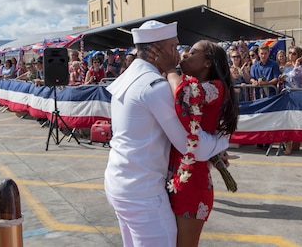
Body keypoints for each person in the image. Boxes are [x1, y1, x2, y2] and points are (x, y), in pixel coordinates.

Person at [104, 20, 229, 247]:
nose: (179, 54)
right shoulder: (154, 85)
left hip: (120, 184)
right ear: (158, 50)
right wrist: (224, 138)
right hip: (143, 193)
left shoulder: (129, 77)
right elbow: (193, 146)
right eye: (174, 47)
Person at [151, 39, 238, 247]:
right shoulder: (201, 85)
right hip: (178, 174)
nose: (185, 55)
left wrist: (171, 69)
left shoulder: (216, 88)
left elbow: (185, 96)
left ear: (208, 62)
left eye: (192, 53)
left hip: (192, 184)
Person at [250, 44, 280, 150]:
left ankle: (268, 141)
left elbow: (276, 79)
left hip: (270, 95)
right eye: (261, 53)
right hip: (259, 95)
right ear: (258, 54)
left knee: (269, 118)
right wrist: (254, 82)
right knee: (259, 118)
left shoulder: (274, 64)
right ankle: (259, 140)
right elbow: (252, 78)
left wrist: (266, 83)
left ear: (269, 53)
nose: (263, 55)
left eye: (265, 53)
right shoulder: (255, 65)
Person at [281, 46, 302, 155]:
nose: (291, 55)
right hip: (288, 95)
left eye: (294, 53)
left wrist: (296, 65)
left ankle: (296, 143)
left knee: (298, 120)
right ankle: (288, 144)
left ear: (299, 55)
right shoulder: (286, 66)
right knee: (288, 120)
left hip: (299, 95)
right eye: (290, 53)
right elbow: (283, 77)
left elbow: (295, 75)